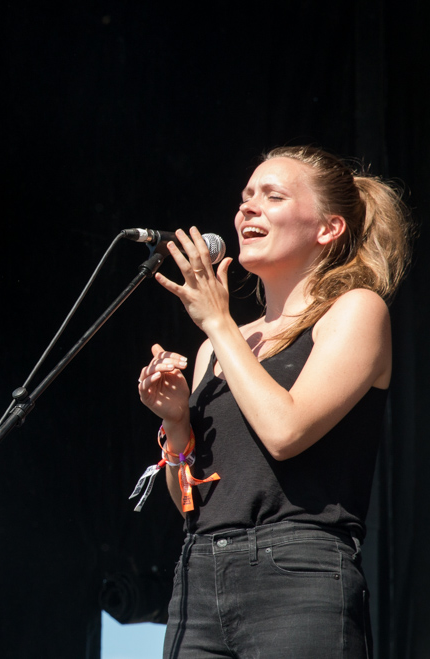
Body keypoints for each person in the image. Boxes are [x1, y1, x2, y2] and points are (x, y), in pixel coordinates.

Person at [136, 146, 413, 658]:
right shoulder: (216, 348)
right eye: (245, 197)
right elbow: (191, 505)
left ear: (328, 229)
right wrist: (176, 423)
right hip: (198, 576)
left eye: (272, 196)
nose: (247, 208)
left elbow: (285, 433)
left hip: (297, 576)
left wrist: (219, 324)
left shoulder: (356, 310)